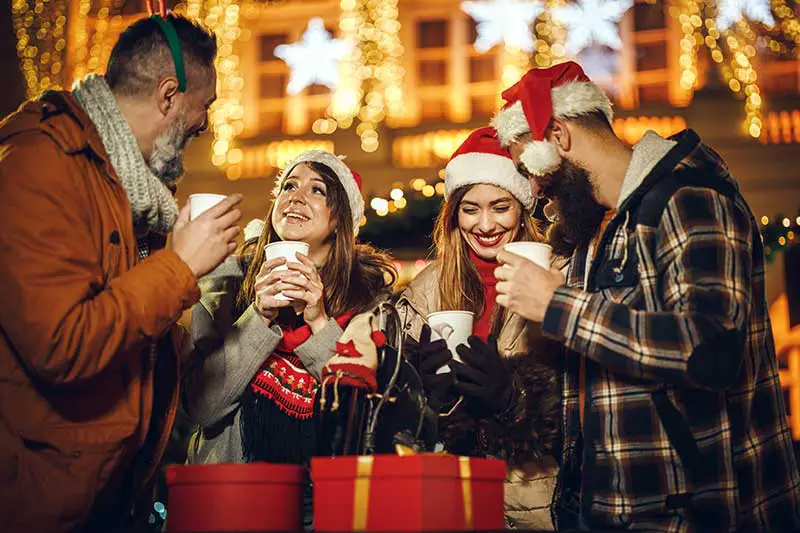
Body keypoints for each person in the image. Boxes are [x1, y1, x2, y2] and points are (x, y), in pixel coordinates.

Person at [491, 61, 800, 532]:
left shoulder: (690, 197)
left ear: (558, 136)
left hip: (695, 511)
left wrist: (559, 305)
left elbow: (712, 348)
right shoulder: (595, 234)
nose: (531, 190)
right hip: (609, 508)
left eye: (526, 168)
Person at [0, 13, 241, 533]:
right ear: (169, 95)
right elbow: (62, 345)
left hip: (106, 490)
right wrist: (179, 267)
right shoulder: (39, 165)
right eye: (207, 104)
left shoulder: (132, 191)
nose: (205, 122)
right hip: (40, 498)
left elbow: (131, 334)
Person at [183, 149, 395, 464]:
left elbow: (360, 415)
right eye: (289, 186)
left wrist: (319, 322)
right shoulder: (227, 279)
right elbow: (204, 406)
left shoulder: (369, 302)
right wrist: (258, 316)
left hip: (318, 499)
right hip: (230, 493)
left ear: (340, 220)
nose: (296, 197)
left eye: (317, 190)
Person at [397, 127, 561, 529]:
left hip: (537, 499)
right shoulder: (427, 289)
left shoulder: (558, 275)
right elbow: (399, 417)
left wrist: (513, 396)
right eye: (471, 209)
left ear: (522, 208)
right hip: (456, 497)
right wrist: (419, 389)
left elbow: (584, 394)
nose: (485, 224)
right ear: (455, 214)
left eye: (500, 206)